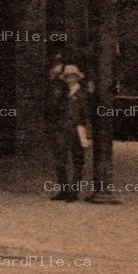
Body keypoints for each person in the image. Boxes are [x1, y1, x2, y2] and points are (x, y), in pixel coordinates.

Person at [49, 64, 91, 200]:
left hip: (77, 130)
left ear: (77, 78)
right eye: (67, 77)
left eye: (72, 77)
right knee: (60, 161)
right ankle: (63, 189)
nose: (69, 79)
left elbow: (86, 115)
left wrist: (87, 134)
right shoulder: (62, 94)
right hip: (62, 130)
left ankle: (74, 191)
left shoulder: (83, 94)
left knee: (77, 161)